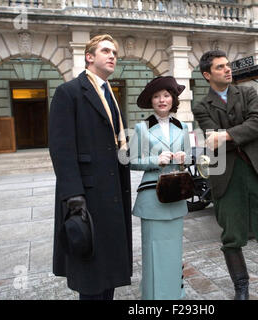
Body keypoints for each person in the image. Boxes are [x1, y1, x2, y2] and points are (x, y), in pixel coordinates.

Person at [192, 50, 258, 300]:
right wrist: (239, 133)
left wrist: (226, 135)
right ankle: (241, 289)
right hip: (225, 177)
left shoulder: (248, 93)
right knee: (232, 235)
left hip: (257, 171)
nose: (227, 69)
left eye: (227, 65)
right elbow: (212, 136)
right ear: (208, 75)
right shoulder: (200, 106)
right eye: (220, 67)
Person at [49, 34, 132, 300]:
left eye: (115, 53)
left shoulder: (110, 92)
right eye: (106, 51)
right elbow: (61, 150)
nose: (112, 56)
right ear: (89, 56)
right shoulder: (69, 92)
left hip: (112, 191)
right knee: (91, 274)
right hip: (86, 195)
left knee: (108, 270)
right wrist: (73, 196)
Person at [129, 76, 190, 300]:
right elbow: (131, 161)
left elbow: (190, 158)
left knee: (174, 251)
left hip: (176, 196)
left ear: (173, 99)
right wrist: (156, 160)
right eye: (156, 96)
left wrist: (185, 158)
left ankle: (175, 294)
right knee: (153, 252)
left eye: (166, 95)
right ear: (151, 101)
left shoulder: (183, 127)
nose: (162, 100)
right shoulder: (141, 128)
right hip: (152, 199)